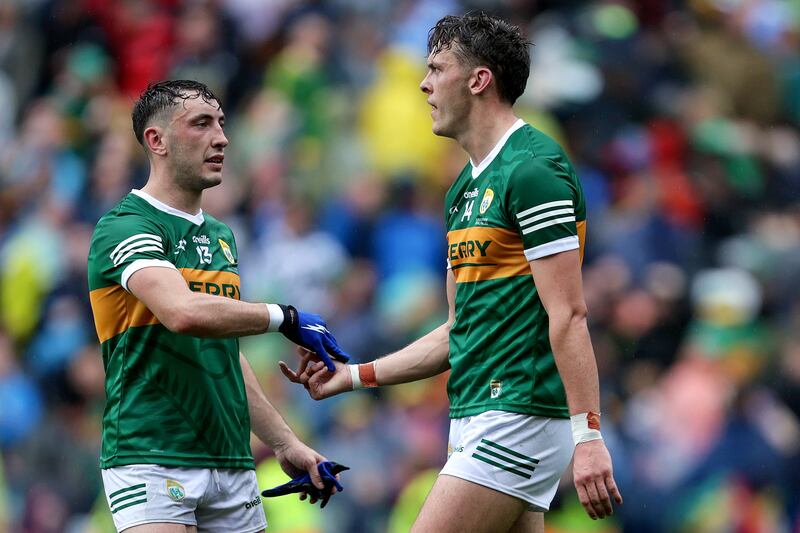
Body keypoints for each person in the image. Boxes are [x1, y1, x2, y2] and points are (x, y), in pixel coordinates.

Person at [281, 13, 622, 533]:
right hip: (473, 412)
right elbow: (456, 332)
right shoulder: (463, 189)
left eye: (437, 69)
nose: (424, 84)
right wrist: (353, 376)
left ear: (479, 80)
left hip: (518, 411)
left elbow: (569, 313)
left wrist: (589, 435)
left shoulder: (533, 170)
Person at [87, 79, 349, 533]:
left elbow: (221, 354)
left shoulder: (221, 236)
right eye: (202, 124)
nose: (222, 138)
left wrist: (285, 443)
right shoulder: (125, 227)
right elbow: (182, 312)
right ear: (157, 140)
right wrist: (283, 317)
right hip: (152, 452)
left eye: (222, 124)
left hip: (231, 460)